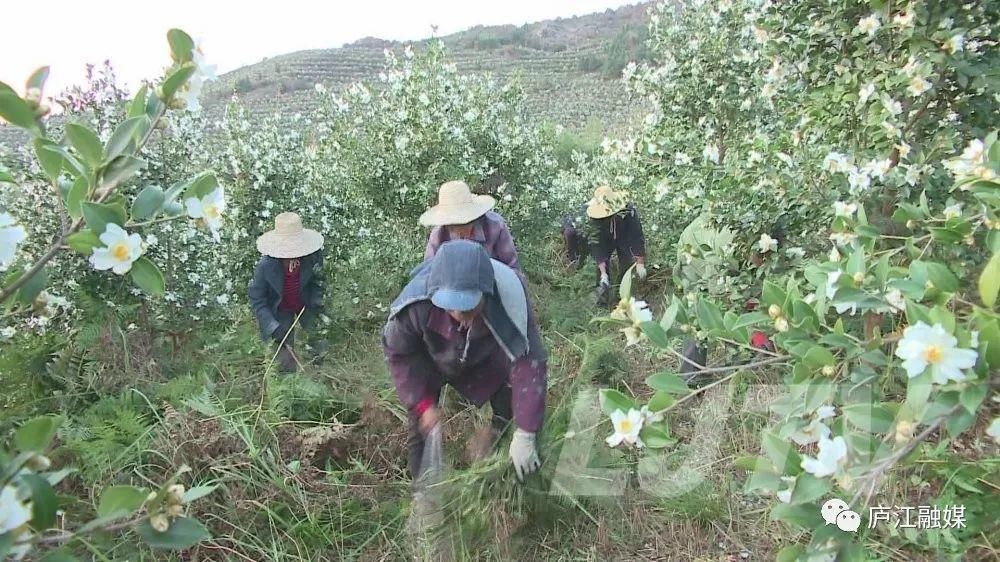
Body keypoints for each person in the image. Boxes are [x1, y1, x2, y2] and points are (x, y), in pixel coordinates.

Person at [382, 240, 546, 481]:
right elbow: (400, 355)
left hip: (486, 355)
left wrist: (526, 432)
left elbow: (529, 359)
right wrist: (424, 404)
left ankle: (496, 463)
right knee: (421, 426)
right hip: (432, 356)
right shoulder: (415, 304)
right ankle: (425, 495)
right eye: (453, 308)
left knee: (507, 405)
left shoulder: (509, 295)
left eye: (470, 307)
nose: (463, 317)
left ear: (486, 291)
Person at [248, 212, 325, 372]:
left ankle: (319, 373)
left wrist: (318, 302)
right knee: (284, 354)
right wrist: (271, 325)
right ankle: (289, 385)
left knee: (318, 338)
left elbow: (318, 281)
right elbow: (257, 300)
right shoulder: (265, 266)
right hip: (280, 309)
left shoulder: (313, 256)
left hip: (305, 303)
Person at [420, 180, 521, 271]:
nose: (461, 231)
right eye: (454, 227)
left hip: (493, 280)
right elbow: (427, 271)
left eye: (465, 223)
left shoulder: (495, 226)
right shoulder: (438, 234)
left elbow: (512, 268)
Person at [585, 185, 647, 301]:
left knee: (627, 263)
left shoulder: (628, 212)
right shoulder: (595, 219)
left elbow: (637, 236)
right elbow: (597, 245)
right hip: (605, 239)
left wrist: (640, 263)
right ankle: (603, 295)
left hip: (623, 235)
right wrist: (603, 273)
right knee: (602, 271)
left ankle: (622, 296)